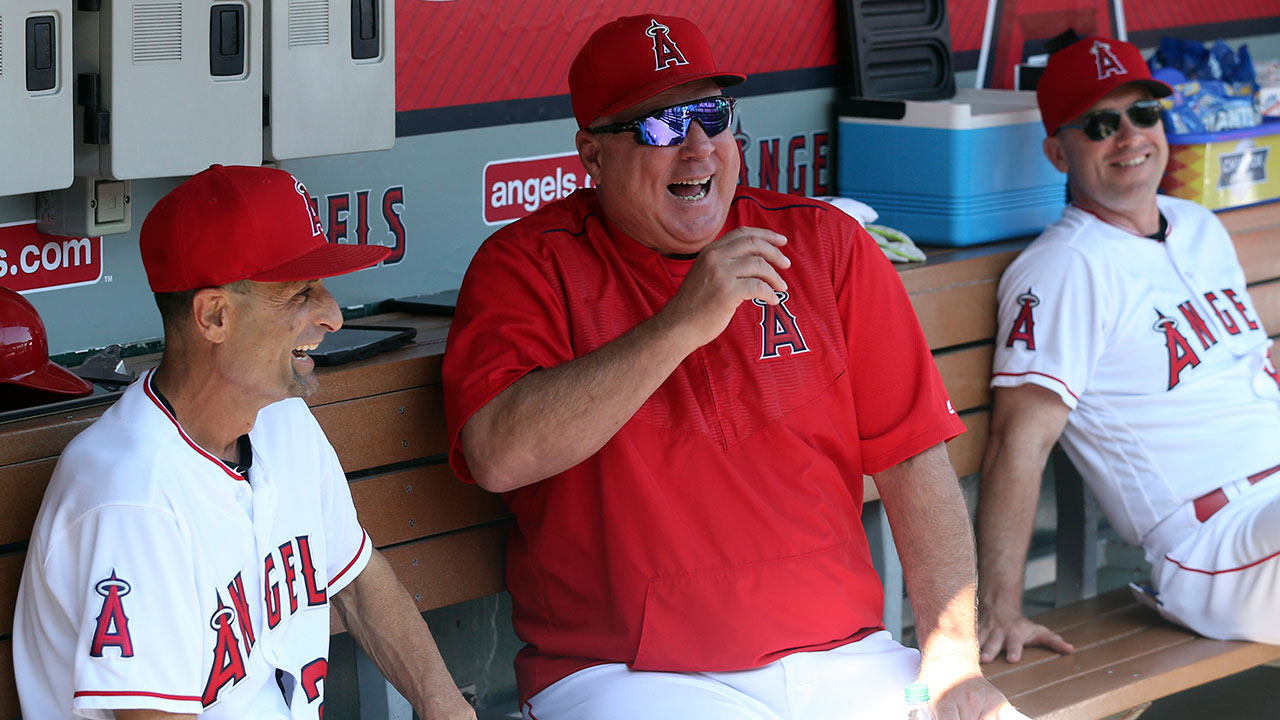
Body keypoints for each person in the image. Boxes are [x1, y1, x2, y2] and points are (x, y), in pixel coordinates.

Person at [443, 14, 1024, 720]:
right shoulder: (528, 266)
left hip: (851, 660)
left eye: (712, 117)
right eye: (659, 125)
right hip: (633, 676)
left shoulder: (823, 244)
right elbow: (500, 455)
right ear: (591, 155)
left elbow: (914, 465)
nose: (696, 149)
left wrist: (952, 661)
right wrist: (680, 325)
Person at [13, 165, 476, 720]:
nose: (331, 315)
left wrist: (447, 706)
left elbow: (358, 583)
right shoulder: (131, 497)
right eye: (300, 293)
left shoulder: (283, 421)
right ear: (215, 316)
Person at [977, 35, 1280, 664]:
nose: (1131, 136)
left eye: (1144, 113)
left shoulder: (1197, 224)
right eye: (1101, 124)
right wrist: (999, 608)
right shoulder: (1064, 267)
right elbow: (1018, 443)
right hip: (1215, 542)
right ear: (1058, 152)